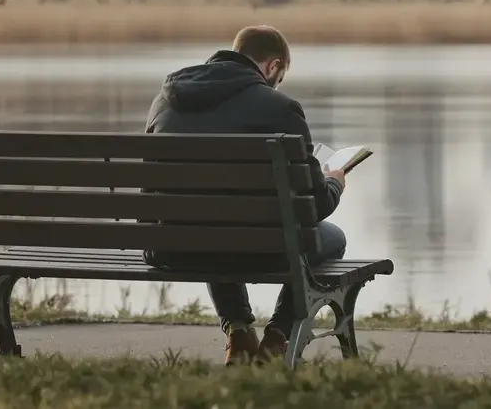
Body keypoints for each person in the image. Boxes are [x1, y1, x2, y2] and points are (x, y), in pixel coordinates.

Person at [143, 25, 347, 366]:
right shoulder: (280, 108)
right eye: (279, 78)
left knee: (208, 222)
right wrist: (335, 182)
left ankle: (238, 331)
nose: (276, 84)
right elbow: (314, 207)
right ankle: (279, 336)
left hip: (172, 247)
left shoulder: (166, 99)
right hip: (258, 249)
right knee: (333, 238)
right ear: (273, 66)